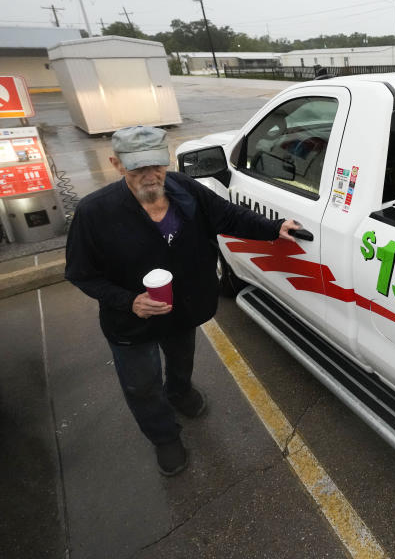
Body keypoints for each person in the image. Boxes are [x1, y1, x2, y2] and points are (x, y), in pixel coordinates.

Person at [65, 125, 301, 476]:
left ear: (167, 160)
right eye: (137, 168)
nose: (149, 175)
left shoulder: (185, 189)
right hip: (131, 320)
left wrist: (272, 228)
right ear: (116, 164)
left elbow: (228, 215)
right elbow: (81, 273)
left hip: (182, 307)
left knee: (181, 356)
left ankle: (179, 392)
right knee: (142, 383)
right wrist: (129, 301)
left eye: (156, 165)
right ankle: (164, 436)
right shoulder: (95, 213)